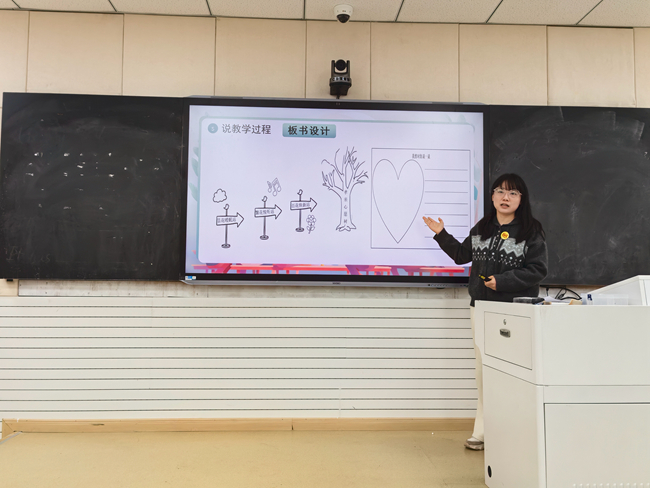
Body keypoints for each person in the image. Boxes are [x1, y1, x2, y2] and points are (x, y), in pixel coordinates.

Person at [422, 173, 548, 451]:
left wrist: (501, 282)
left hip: (515, 312)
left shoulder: (531, 231)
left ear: (521, 199)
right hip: (480, 308)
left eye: (513, 193)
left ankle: (514, 435)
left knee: (513, 373)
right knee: (484, 372)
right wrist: (441, 234)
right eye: (500, 191)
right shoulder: (482, 228)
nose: (505, 197)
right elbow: (461, 255)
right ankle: (482, 432)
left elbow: (538, 270)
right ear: (491, 196)